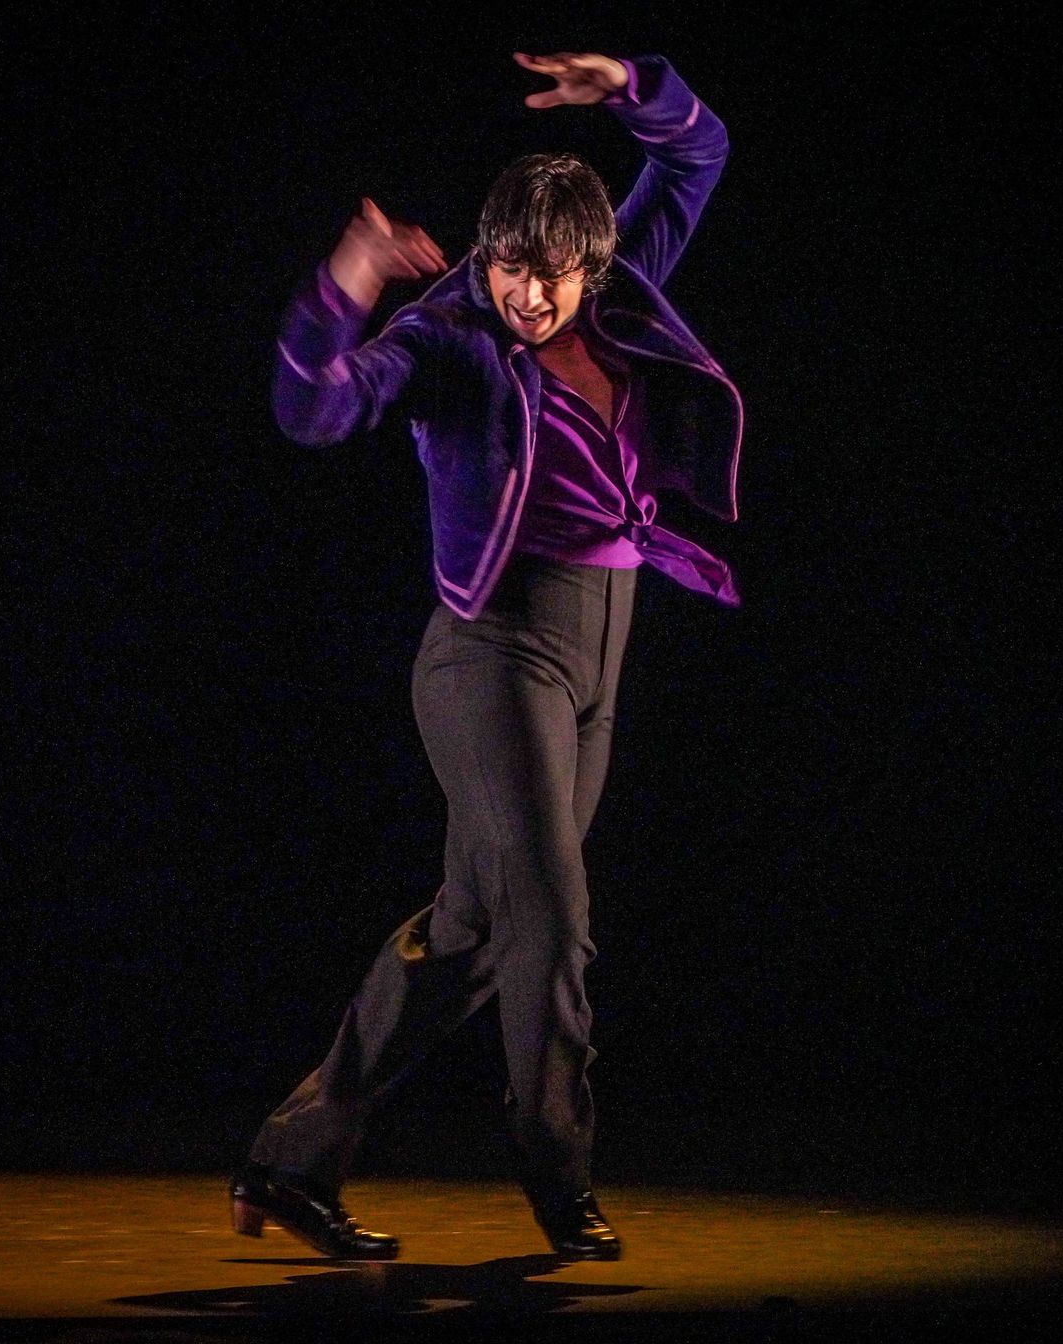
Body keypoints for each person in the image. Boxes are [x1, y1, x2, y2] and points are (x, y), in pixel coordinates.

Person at [232, 49, 742, 1261]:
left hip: (602, 648)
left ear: (592, 264)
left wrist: (630, 85)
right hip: (492, 652)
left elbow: (699, 153)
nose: (528, 295)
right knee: (552, 922)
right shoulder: (449, 337)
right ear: (488, 253)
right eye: (511, 267)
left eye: (553, 274)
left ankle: (290, 1162)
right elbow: (313, 406)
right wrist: (347, 281)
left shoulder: (618, 289)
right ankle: (560, 1177)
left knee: (475, 928)